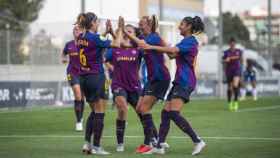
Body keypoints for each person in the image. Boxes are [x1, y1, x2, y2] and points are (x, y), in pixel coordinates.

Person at [135, 16, 206, 155]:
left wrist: (151, 46)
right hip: (179, 81)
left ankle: (197, 141)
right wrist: (159, 42)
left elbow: (173, 52)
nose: (179, 26)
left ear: (189, 27)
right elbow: (172, 55)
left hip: (186, 81)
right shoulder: (185, 41)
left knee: (173, 112)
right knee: (165, 112)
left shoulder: (191, 42)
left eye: (182, 24)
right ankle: (159, 146)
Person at [76, 12, 123, 155]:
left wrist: (107, 32)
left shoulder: (80, 37)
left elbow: (95, 41)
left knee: (94, 112)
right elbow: (117, 44)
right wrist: (119, 29)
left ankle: (87, 144)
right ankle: (97, 146)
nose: (98, 24)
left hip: (84, 78)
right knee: (100, 112)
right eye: (97, 22)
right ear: (92, 23)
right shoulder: (95, 38)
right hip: (96, 77)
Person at [125, 15, 171, 153]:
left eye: (142, 23)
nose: (139, 25)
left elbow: (140, 44)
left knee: (144, 109)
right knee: (139, 108)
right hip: (151, 80)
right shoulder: (144, 40)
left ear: (149, 26)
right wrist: (113, 33)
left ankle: (150, 143)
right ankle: (154, 140)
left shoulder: (153, 37)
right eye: (139, 23)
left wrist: (125, 31)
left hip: (160, 78)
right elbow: (126, 44)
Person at [105, 24, 147, 152]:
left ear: (134, 34)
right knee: (122, 109)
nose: (127, 33)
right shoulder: (115, 48)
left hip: (134, 86)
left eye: (129, 31)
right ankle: (120, 143)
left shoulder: (138, 49)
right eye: (125, 31)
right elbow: (105, 59)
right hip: (119, 85)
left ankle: (153, 138)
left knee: (143, 113)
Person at [61, 25, 84, 131]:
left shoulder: (85, 44)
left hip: (84, 73)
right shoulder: (69, 44)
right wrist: (64, 58)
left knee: (82, 97)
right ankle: (78, 122)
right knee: (77, 94)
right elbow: (63, 54)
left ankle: (81, 116)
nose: (76, 30)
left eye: (78, 29)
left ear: (82, 32)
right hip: (72, 72)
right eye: (74, 29)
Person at [223, 38, 243, 111]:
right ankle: (230, 103)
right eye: (231, 43)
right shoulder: (226, 52)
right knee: (229, 88)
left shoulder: (238, 51)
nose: (232, 44)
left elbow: (239, 57)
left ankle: (236, 102)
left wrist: (230, 58)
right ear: (229, 44)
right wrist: (225, 60)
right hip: (229, 71)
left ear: (235, 44)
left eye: (233, 43)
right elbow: (223, 60)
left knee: (235, 85)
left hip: (236, 71)